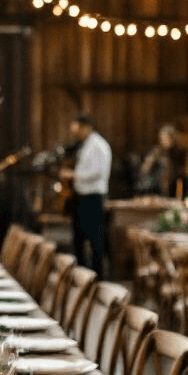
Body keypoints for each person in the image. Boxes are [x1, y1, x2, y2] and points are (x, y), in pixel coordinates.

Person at [61, 114, 112, 279]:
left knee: (95, 240)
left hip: (93, 197)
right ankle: (82, 278)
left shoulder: (98, 145)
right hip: (82, 197)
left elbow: (97, 172)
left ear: (86, 127)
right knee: (79, 239)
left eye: (77, 130)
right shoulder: (86, 145)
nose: (76, 135)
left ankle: (97, 280)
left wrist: (74, 175)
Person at [137, 124, 185, 197]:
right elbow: (144, 169)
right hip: (157, 188)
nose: (164, 140)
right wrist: (151, 160)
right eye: (162, 138)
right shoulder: (156, 151)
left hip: (173, 187)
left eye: (167, 138)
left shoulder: (178, 153)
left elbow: (182, 173)